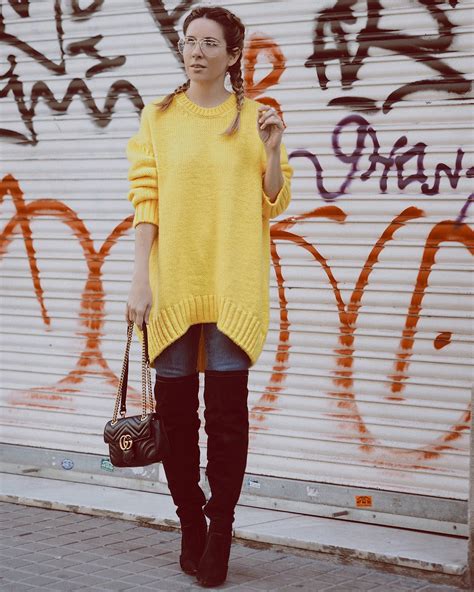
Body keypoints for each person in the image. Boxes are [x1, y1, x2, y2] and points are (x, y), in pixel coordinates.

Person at [125, 5, 293, 588]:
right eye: (189, 40)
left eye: (209, 42)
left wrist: (271, 150)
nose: (196, 50)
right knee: (176, 418)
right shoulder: (158, 117)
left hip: (231, 286)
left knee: (226, 420)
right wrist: (140, 278)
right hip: (174, 281)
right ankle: (190, 524)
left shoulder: (255, 118)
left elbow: (274, 201)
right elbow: (145, 200)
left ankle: (220, 531)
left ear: (232, 54)